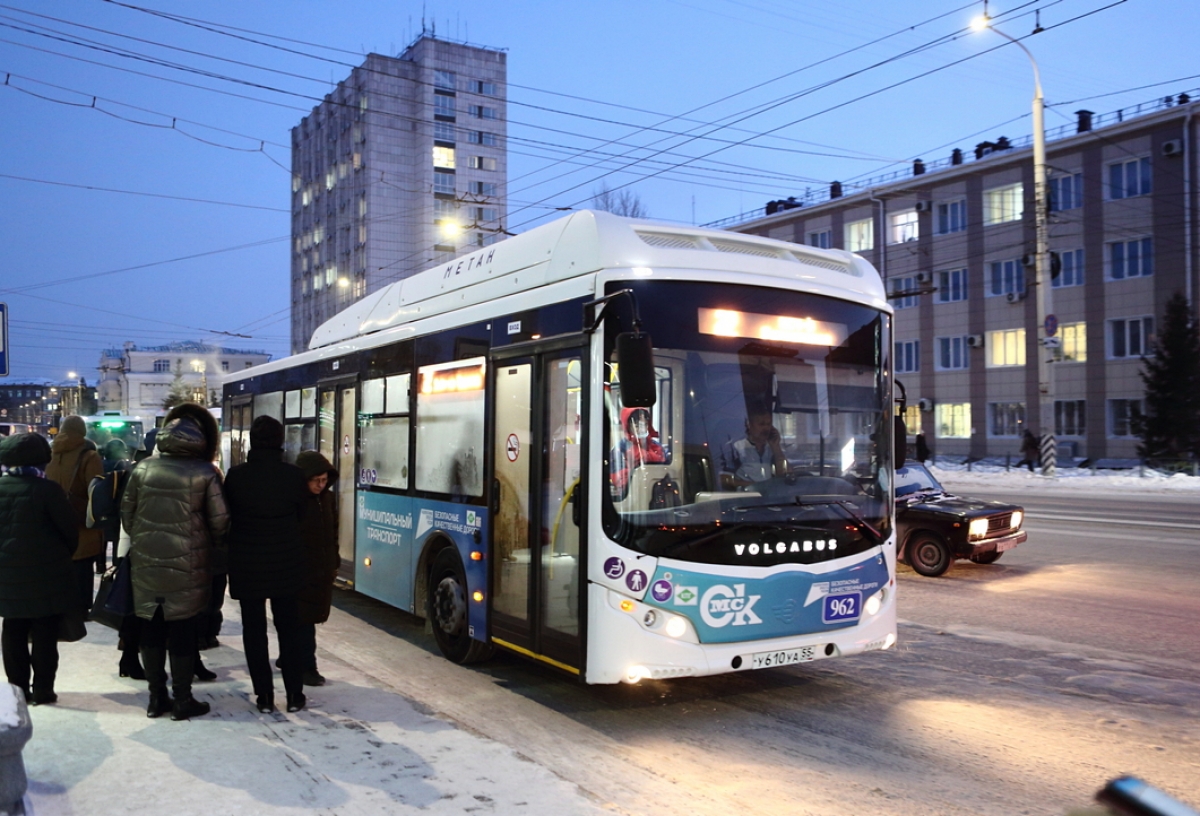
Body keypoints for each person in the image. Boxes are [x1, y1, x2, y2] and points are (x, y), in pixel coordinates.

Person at [122, 404, 228, 721]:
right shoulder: (205, 472)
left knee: (151, 630)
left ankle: (157, 699)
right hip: (188, 566)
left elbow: (127, 515)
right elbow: (220, 522)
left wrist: (146, 538)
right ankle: (183, 700)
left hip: (147, 563)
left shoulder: (142, 469)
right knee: (182, 630)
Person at [224, 415, 308, 714]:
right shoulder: (294, 476)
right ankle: (295, 694)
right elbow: (302, 516)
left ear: (250, 441)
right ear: (280, 440)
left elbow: (227, 517)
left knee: (254, 630)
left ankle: (264, 697)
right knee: (289, 629)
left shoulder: (236, 476)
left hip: (248, 562)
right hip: (286, 561)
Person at [0, 433, 78, 706]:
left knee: (13, 629)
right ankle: (43, 689)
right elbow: (69, 533)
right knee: (45, 632)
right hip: (46, 575)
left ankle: (17, 690)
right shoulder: (48, 490)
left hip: (6, 575)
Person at [45, 415, 104, 615]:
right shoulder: (89, 456)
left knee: (60, 563)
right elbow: (95, 488)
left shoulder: (50, 452)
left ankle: (61, 603)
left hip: (53, 515)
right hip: (79, 517)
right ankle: (80, 607)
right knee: (82, 562)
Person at [293, 450, 341, 687]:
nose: (321, 485)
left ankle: (293, 659)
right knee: (304, 622)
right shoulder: (296, 500)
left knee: (309, 619)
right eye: (316, 480)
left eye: (324, 480)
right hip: (302, 570)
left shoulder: (327, 499)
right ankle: (307, 667)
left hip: (322, 570)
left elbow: (332, 533)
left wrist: (334, 562)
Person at [720, 407, 790, 490]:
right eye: (761, 424)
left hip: (770, 499)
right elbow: (725, 480)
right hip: (744, 500)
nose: (766, 429)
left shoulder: (772, 448)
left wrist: (776, 447)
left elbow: (786, 476)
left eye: (768, 424)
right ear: (749, 425)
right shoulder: (736, 448)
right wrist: (757, 486)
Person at [610, 407, 666, 499]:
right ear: (628, 426)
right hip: (633, 498)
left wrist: (646, 456)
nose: (641, 428)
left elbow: (664, 472)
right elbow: (620, 480)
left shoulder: (657, 447)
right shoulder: (620, 449)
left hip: (658, 495)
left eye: (645, 424)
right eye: (637, 425)